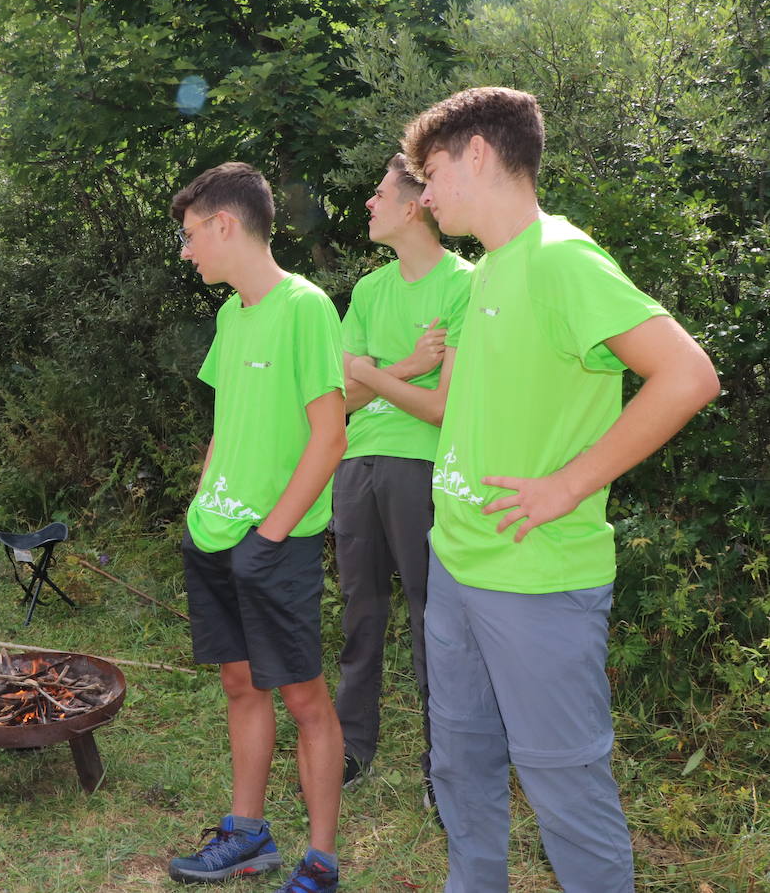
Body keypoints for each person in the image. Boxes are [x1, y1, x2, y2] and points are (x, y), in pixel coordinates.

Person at [402, 87, 720, 890]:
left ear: (479, 153)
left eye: (432, 172)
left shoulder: (560, 257)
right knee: (462, 770)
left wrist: (567, 485)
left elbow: (687, 376)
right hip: (458, 567)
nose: (425, 195)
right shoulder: (484, 276)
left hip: (537, 581)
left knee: (564, 790)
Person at [166, 163, 346, 893]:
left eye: (189, 236)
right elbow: (225, 421)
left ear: (225, 225)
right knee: (240, 684)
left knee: (305, 699)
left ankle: (321, 861)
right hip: (214, 534)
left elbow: (329, 437)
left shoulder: (305, 308)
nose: (186, 251)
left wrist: (271, 535)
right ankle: (247, 833)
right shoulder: (231, 313)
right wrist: (201, 504)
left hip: (278, 540)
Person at [334, 154, 472, 812]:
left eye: (379, 193)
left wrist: (382, 372)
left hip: (423, 468)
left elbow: (442, 407)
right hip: (356, 467)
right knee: (361, 616)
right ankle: (350, 751)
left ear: (415, 205)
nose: (369, 203)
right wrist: (411, 365)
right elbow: (338, 398)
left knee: (431, 621)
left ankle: (442, 768)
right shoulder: (367, 291)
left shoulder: (462, 286)